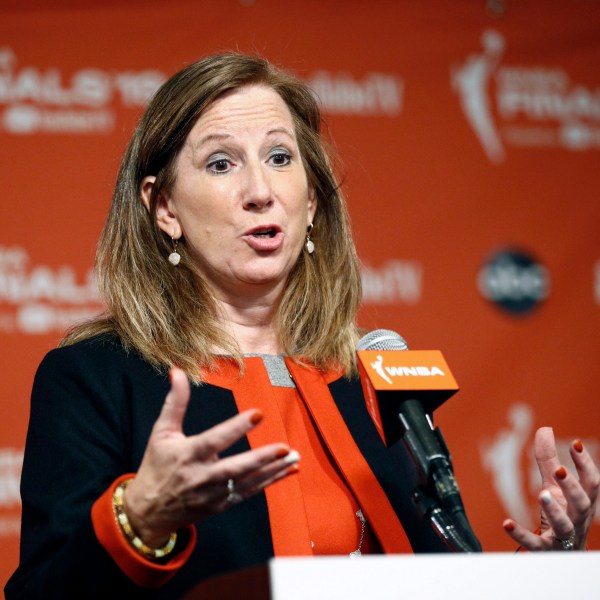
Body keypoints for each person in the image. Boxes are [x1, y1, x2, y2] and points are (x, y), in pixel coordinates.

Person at [5, 53, 598, 599]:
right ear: (164, 208)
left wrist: (547, 566)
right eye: (221, 163)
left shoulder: (370, 377)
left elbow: (429, 573)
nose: (260, 191)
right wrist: (139, 523)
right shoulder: (98, 378)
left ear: (311, 200)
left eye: (280, 158)